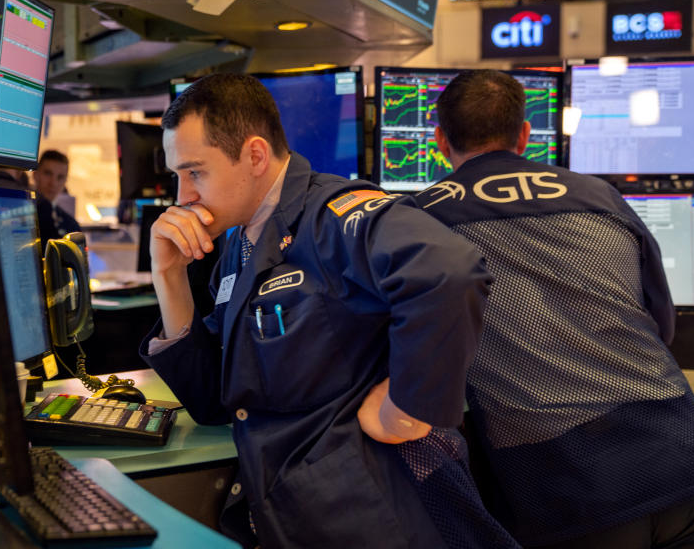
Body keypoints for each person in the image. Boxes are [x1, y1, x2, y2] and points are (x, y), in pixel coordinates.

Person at [140, 73, 519, 548]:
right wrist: (169, 278)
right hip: (294, 513)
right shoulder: (238, 244)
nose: (183, 197)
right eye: (178, 176)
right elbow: (215, 401)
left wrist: (407, 409)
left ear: (255, 156)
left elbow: (448, 272)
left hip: (369, 517)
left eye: (195, 172)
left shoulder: (337, 215)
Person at [416, 69, 694, 549]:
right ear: (524, 135)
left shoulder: (420, 222)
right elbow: (662, 327)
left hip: (571, 491)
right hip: (682, 452)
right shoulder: (600, 196)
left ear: (440, 140)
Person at [34, 149, 81, 242]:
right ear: (35, 174)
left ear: (65, 182)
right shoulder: (22, 215)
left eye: (60, 177)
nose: (53, 183)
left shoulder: (71, 225)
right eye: (48, 174)